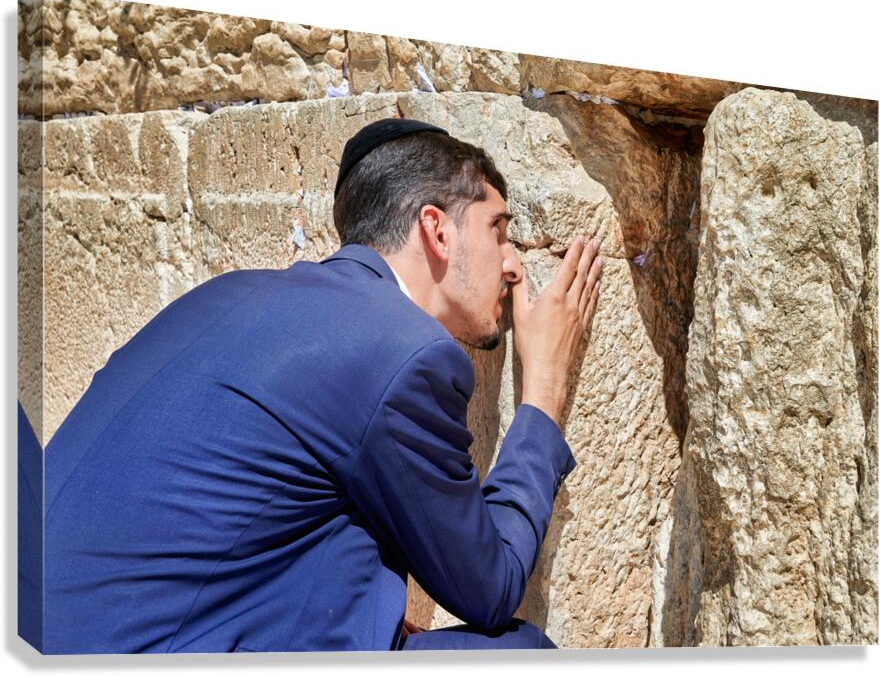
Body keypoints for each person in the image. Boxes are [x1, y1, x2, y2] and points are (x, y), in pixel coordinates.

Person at [40, 117, 604, 653]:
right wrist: (544, 393)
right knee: (521, 652)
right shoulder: (406, 351)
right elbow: (489, 585)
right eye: (498, 231)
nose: (512, 265)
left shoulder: (229, 291)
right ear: (436, 230)